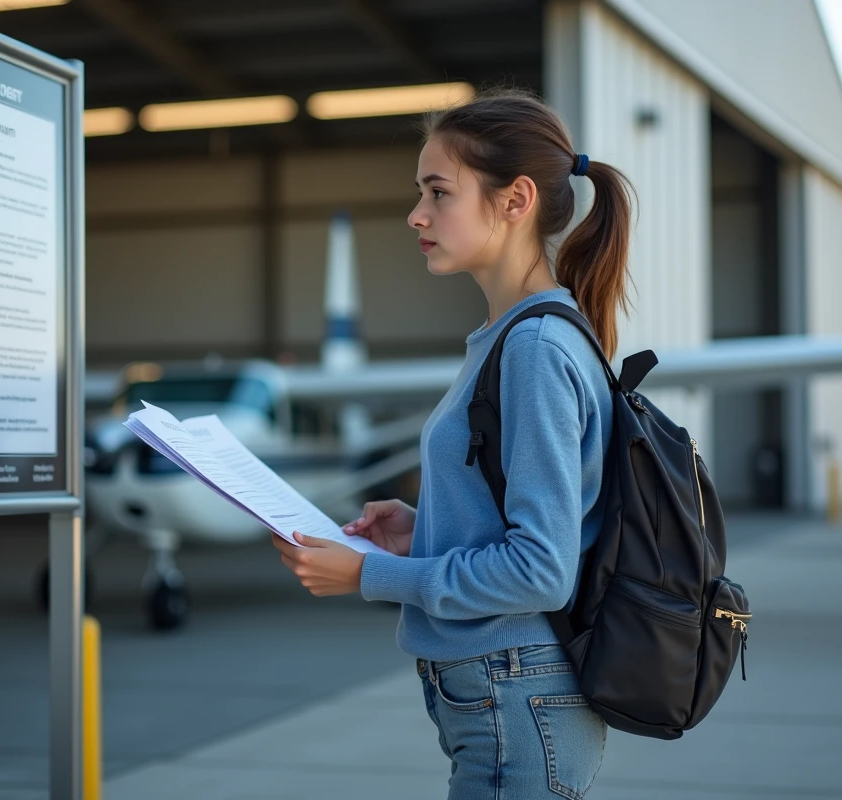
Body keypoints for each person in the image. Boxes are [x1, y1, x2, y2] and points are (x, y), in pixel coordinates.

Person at [272, 88, 635, 799]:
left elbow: (540, 570)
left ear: (514, 200)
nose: (417, 214)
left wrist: (366, 575)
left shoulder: (533, 346)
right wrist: (424, 531)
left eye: (439, 192)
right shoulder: (511, 339)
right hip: (504, 695)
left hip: (516, 696)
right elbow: (519, 523)